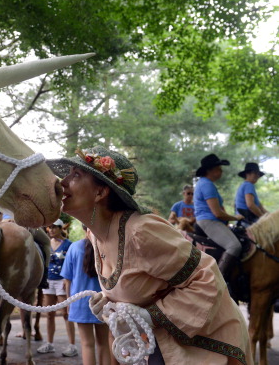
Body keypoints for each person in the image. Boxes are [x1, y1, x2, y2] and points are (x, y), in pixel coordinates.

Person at [47, 146, 252, 364]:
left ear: (100, 192)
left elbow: (208, 278)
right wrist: (109, 306)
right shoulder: (95, 234)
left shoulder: (140, 232)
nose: (63, 182)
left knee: (234, 246)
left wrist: (150, 315)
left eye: (75, 175)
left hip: (205, 346)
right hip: (162, 347)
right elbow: (139, 287)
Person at [193, 154, 244, 282]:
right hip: (209, 221)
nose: (221, 171)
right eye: (219, 168)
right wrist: (236, 217)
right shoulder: (207, 184)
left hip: (207, 221)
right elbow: (218, 213)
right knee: (234, 246)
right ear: (210, 170)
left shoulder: (205, 183)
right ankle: (218, 282)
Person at [61, 237, 110, 365]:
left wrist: (68, 302)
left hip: (79, 303)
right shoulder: (107, 246)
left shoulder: (74, 247)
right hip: (102, 302)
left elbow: (67, 280)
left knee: (87, 344)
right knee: (104, 344)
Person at [36, 219, 78, 357]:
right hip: (49, 280)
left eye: (54, 227)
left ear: (61, 229)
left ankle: (72, 346)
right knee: (49, 314)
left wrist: (69, 280)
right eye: (49, 228)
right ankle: (49, 344)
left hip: (62, 281)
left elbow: (72, 264)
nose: (51, 230)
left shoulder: (69, 245)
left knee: (66, 313)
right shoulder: (46, 243)